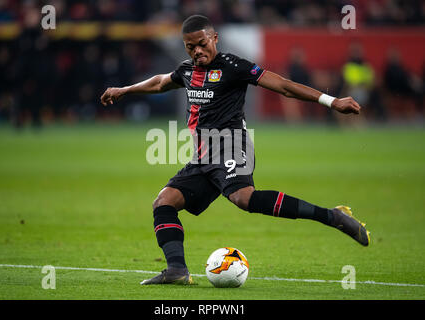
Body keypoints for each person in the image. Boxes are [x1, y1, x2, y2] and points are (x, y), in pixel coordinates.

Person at [100, 15, 370, 285]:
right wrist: (124, 90)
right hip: (203, 156)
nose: (197, 51)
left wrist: (331, 101)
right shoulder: (186, 70)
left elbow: (285, 87)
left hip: (232, 145)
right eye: (190, 46)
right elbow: (160, 82)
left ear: (214, 38)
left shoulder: (234, 67)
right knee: (164, 202)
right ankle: (177, 270)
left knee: (243, 198)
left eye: (202, 44)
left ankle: (332, 216)